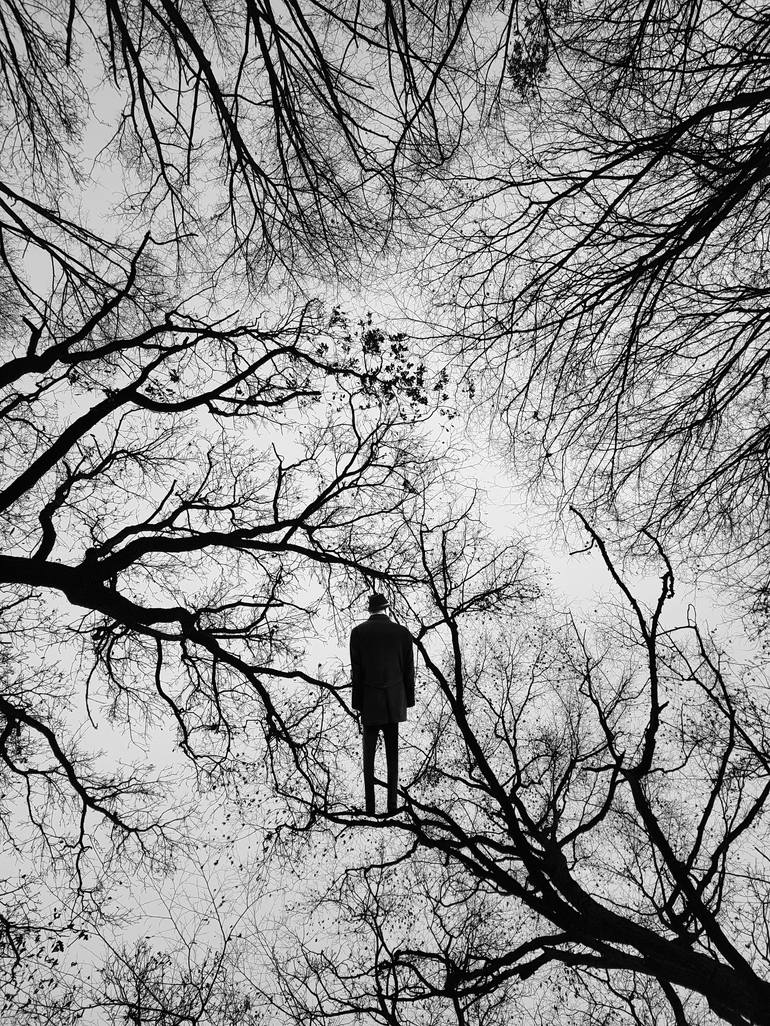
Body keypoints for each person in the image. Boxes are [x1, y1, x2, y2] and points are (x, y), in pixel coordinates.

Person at [349, 592, 415, 815]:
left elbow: (357, 673)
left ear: (370, 610)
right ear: (387, 609)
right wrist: (408, 701)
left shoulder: (358, 633)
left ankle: (370, 807)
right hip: (395, 701)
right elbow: (409, 671)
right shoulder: (403, 633)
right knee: (392, 756)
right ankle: (392, 805)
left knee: (368, 757)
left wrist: (358, 703)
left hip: (370, 701)